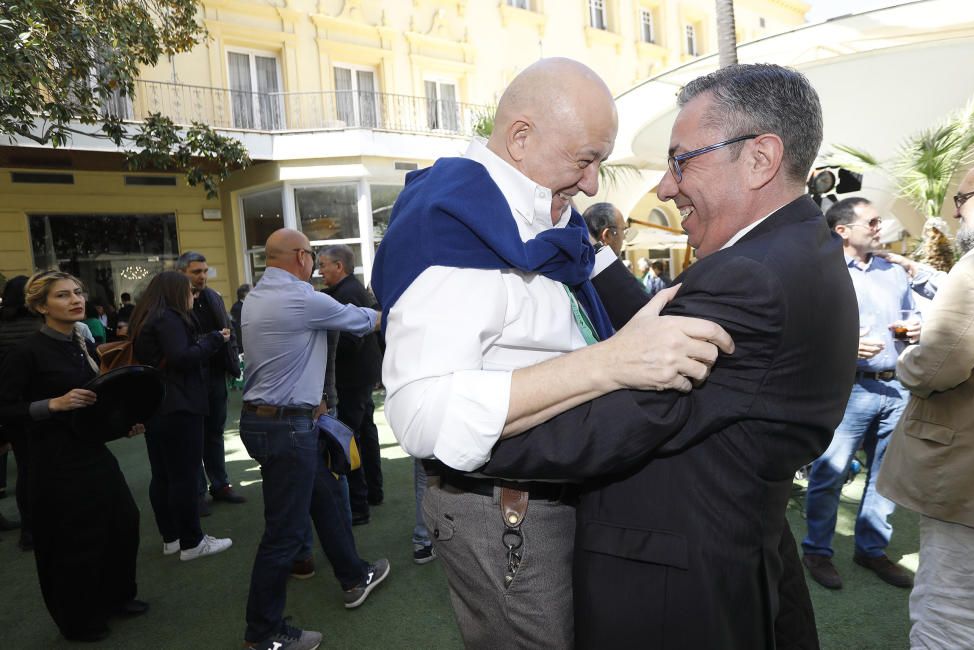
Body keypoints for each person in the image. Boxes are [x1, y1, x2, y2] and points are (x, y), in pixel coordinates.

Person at [472, 63, 859, 648]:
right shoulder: (799, 248)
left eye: (681, 161)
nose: (667, 187)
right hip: (730, 550)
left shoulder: (748, 277)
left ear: (760, 157)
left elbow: (610, 422)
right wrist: (586, 249)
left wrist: (455, 426)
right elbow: (661, 326)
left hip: (673, 593)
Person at [373, 57, 732, 649]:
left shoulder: (550, 218)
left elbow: (630, 308)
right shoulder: (453, 225)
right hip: (508, 510)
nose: (592, 184)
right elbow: (418, 415)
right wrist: (610, 363)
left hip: (562, 493)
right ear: (520, 137)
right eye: (584, 159)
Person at [240, 228, 389, 650]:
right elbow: (370, 320)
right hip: (288, 427)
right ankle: (263, 633)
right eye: (314, 258)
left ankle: (353, 574)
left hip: (269, 421)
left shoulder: (257, 295)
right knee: (283, 534)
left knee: (324, 495)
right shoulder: (302, 298)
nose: (317, 266)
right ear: (302, 257)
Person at [878, 155, 974, 649]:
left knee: (954, 619)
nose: (954, 214)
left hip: (973, 477)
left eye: (962, 199)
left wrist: (906, 358)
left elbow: (937, 366)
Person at [0, 271, 147, 642]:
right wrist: (52, 404)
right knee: (74, 540)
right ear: (40, 305)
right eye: (63, 295)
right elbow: (6, 409)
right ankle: (79, 619)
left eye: (78, 293)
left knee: (122, 522)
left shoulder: (78, 342)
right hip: (53, 461)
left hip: (90, 450)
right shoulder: (27, 352)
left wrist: (123, 423)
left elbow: (95, 402)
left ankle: (116, 597)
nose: (76, 299)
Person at [801, 197, 918, 591]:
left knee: (886, 478)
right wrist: (845, 347)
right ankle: (817, 551)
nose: (879, 226)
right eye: (871, 221)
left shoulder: (894, 272)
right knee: (829, 474)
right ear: (842, 231)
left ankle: (871, 550)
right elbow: (804, 332)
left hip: (896, 386)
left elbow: (910, 315)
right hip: (848, 389)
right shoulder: (823, 274)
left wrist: (916, 327)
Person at [131, 271, 234, 562]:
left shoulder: (147, 316)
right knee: (183, 476)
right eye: (190, 290)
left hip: (157, 405)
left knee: (163, 475)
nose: (195, 294)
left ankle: (172, 538)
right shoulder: (168, 318)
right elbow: (182, 358)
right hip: (179, 405)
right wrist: (214, 340)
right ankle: (192, 541)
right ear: (177, 292)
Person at [317, 245, 384, 525]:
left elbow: (352, 340)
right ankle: (372, 493)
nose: (319, 270)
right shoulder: (348, 291)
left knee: (347, 439)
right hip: (361, 376)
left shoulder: (348, 294)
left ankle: (358, 506)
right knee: (364, 434)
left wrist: (322, 340)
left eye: (323, 265)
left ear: (339, 267)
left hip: (351, 379)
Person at [176, 251, 245, 510]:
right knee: (194, 437)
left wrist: (232, 361)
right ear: (182, 272)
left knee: (215, 433)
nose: (202, 276)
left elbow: (230, 330)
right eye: (196, 272)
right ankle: (197, 493)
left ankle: (220, 484)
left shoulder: (213, 297)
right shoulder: (174, 302)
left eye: (204, 271)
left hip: (216, 376)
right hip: (191, 378)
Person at [0, 275, 41, 548]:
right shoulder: (39, 328)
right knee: (38, 469)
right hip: (38, 407)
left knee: (26, 469)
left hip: (12, 409)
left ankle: (30, 529)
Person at [230, 283, 250, 354]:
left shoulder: (244, 305)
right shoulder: (237, 308)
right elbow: (238, 327)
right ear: (245, 293)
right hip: (242, 343)